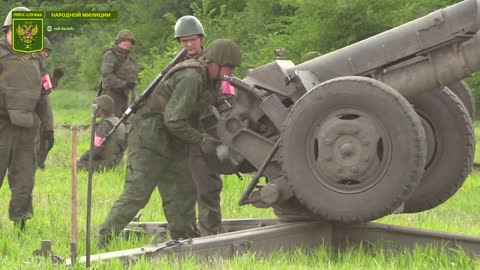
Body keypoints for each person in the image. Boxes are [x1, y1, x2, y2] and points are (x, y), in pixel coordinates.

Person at [97, 38, 241, 246]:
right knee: (137, 193)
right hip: (148, 138)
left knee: (183, 190)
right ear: (215, 63)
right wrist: (202, 140)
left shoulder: (210, 81)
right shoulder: (191, 77)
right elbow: (174, 120)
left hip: (172, 139)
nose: (231, 73)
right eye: (229, 67)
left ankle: (184, 240)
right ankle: (103, 239)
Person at [174, 15, 224, 236]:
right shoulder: (179, 66)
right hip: (182, 133)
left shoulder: (212, 63)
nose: (188, 44)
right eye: (183, 41)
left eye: (192, 39)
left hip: (204, 131)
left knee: (208, 185)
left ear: (201, 39)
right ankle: (187, 232)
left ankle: (209, 232)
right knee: (182, 187)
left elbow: (223, 95)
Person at [0, 7, 47, 230]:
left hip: (28, 126)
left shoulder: (36, 59)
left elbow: (44, 94)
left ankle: (20, 225)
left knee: (24, 181)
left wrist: (48, 128)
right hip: (1, 124)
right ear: (9, 30)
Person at [77, 95, 127, 172]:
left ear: (101, 109)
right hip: (118, 162)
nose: (93, 109)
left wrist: (81, 158)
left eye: (96, 107)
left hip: (106, 164)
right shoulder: (118, 121)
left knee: (76, 165)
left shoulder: (104, 125)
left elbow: (96, 149)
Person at [100, 29, 139, 118]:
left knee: (126, 122)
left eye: (130, 41)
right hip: (112, 95)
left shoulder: (130, 57)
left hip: (127, 96)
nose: (127, 43)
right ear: (118, 42)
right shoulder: (110, 55)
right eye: (124, 40)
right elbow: (107, 78)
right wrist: (125, 84)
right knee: (111, 122)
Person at [35, 37, 55, 169]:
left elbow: (47, 88)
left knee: (49, 138)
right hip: (36, 105)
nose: (46, 54)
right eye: (44, 51)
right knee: (43, 138)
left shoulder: (41, 65)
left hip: (44, 103)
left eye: (47, 52)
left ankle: (39, 163)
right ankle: (37, 164)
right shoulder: (31, 64)